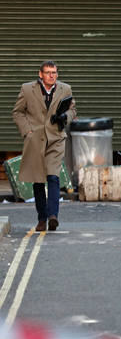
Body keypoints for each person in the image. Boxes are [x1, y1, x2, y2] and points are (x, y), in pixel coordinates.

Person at [12, 61, 77, 232]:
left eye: (54, 72)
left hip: (56, 138)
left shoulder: (65, 89)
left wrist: (65, 118)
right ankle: (42, 218)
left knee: (53, 176)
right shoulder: (27, 89)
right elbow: (17, 112)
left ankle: (53, 216)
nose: (51, 76)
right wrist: (27, 131)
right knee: (38, 180)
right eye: (48, 72)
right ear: (40, 74)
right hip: (35, 139)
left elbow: (72, 110)